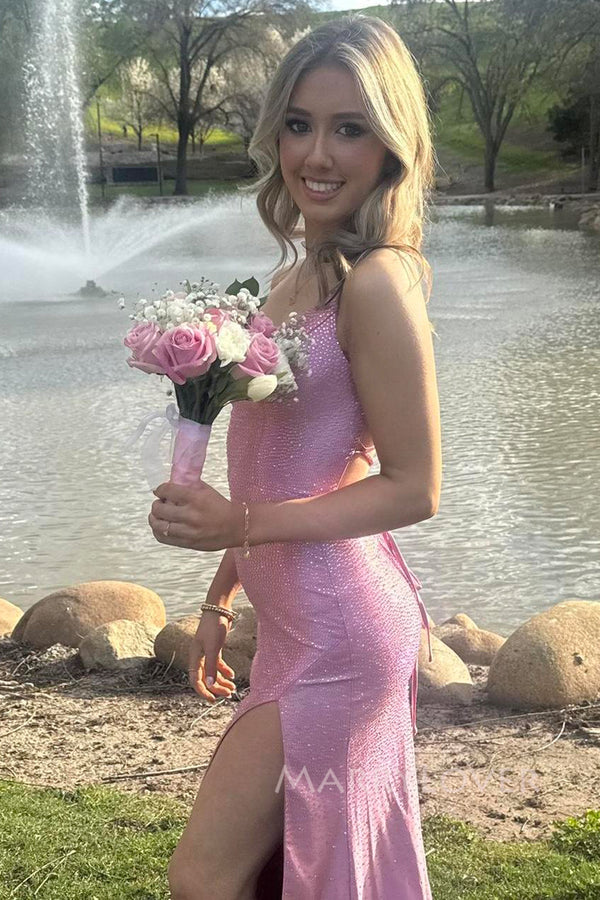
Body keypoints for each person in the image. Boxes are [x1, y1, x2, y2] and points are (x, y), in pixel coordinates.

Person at [148, 13, 442, 900]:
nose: (317, 154)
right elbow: (282, 465)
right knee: (285, 876)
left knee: (205, 877)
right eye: (300, 124)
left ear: (391, 148)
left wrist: (239, 523)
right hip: (291, 629)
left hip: (343, 638)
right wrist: (221, 592)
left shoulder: (377, 283)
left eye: (349, 128)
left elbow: (415, 487)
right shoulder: (289, 279)